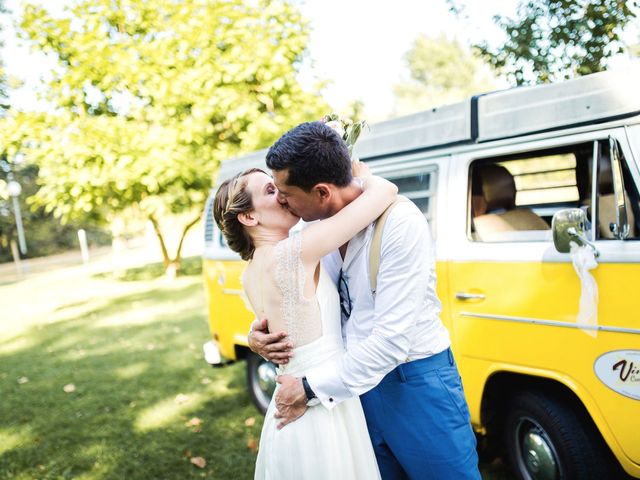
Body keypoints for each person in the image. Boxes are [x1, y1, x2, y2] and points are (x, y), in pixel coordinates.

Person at [249, 121, 481, 480]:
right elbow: (292, 294)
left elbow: (390, 342)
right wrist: (260, 332)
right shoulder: (307, 230)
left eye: (285, 192)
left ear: (322, 192)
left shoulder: (400, 223)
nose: (280, 200)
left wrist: (309, 389)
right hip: (349, 395)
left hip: (414, 383)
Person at [214, 152, 398, 478]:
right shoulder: (292, 253)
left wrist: (257, 339)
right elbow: (385, 192)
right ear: (249, 218)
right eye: (271, 192)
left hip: (291, 403)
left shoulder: (250, 271)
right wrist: (356, 173)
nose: (283, 195)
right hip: (319, 405)